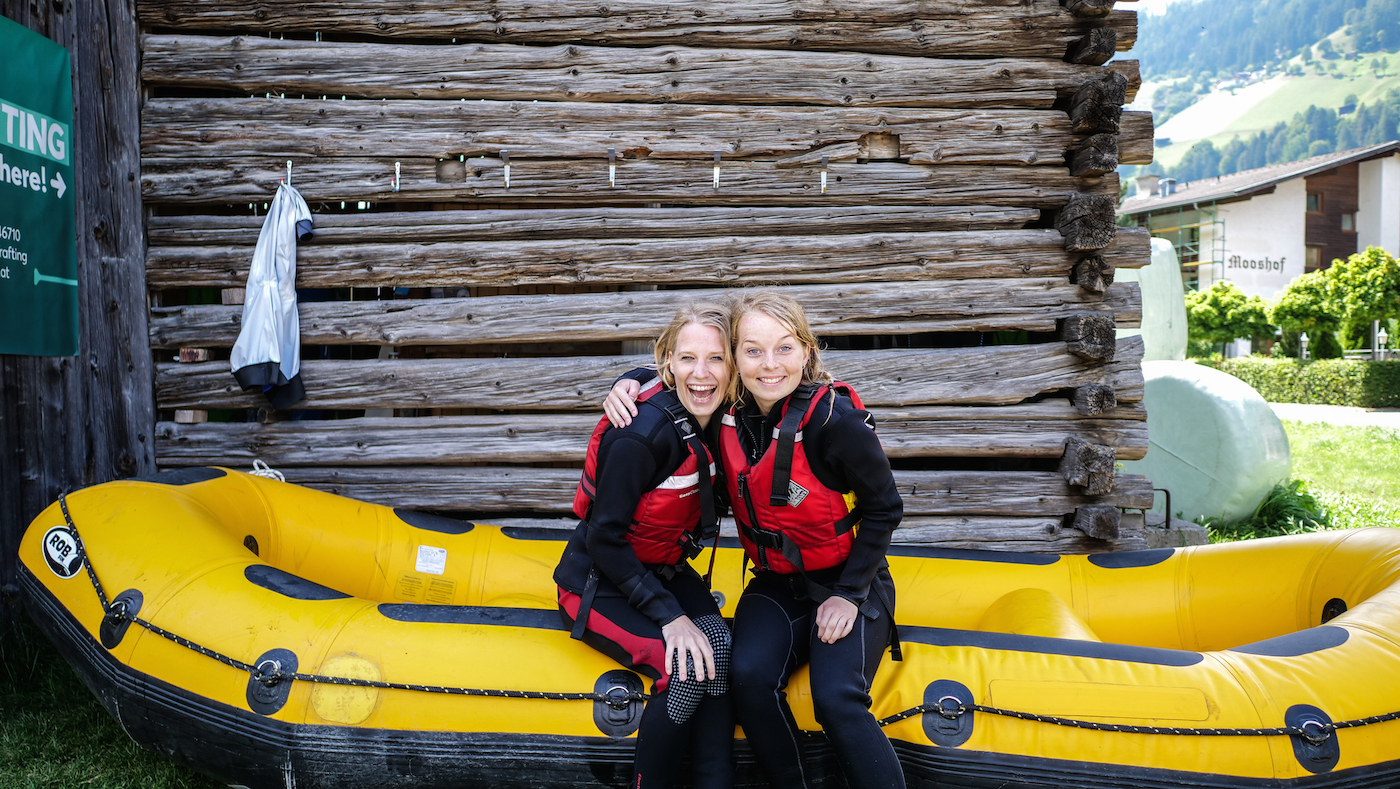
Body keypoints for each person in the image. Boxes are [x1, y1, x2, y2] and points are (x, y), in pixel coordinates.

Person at [604, 290, 905, 789]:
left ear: (807, 353)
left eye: (785, 348)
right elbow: (682, 376)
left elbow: (885, 509)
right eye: (753, 350)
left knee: (836, 697)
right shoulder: (726, 410)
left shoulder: (836, 422)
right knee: (746, 678)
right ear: (738, 358)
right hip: (778, 583)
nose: (770, 366)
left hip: (851, 581)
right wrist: (628, 380)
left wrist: (849, 596)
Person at [554, 302, 736, 789]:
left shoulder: (722, 418)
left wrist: (630, 374)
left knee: (721, 647)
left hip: (661, 569)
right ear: (668, 361)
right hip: (598, 581)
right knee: (685, 668)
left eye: (716, 359)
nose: (701, 374)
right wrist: (671, 619)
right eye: (687, 359)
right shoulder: (640, 437)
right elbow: (603, 538)